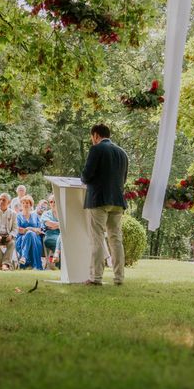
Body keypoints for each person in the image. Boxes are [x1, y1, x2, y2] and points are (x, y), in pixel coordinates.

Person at [81, 123, 129, 286]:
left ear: (95, 135)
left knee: (97, 238)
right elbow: (124, 180)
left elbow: (86, 175)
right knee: (116, 240)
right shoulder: (122, 153)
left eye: (92, 137)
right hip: (117, 200)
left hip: (99, 199)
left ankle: (96, 277)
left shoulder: (96, 149)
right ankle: (119, 277)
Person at [16, 195, 44, 270]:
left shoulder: (35, 216)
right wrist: (31, 230)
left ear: (31, 205)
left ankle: (24, 257)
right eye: (23, 203)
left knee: (30, 233)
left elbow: (39, 230)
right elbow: (18, 229)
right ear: (21, 204)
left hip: (35, 239)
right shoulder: (18, 216)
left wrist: (29, 228)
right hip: (22, 239)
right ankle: (31, 263)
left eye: (27, 203)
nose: (25, 204)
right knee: (29, 233)